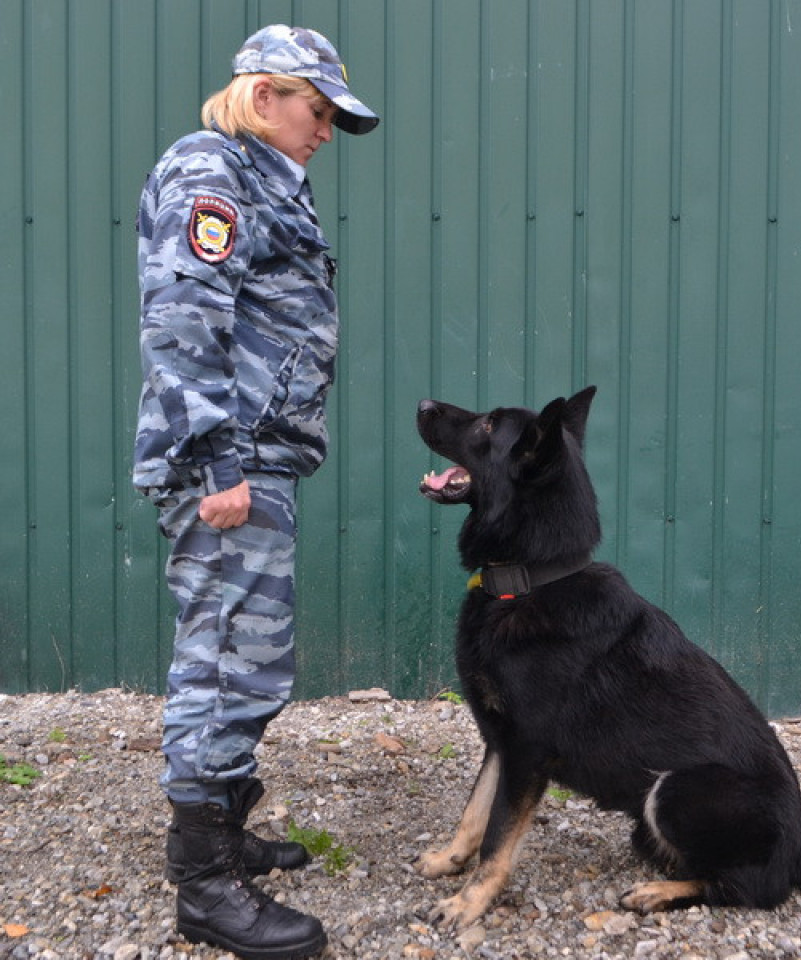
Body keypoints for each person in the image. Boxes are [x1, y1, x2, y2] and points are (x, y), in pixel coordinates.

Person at [132, 24, 378, 960]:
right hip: (226, 464)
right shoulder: (213, 170)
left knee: (248, 655)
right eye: (318, 111)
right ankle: (204, 889)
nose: (324, 131)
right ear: (265, 94)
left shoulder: (268, 177)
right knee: (231, 661)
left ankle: (222, 831)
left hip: (253, 456)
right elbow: (184, 319)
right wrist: (220, 463)